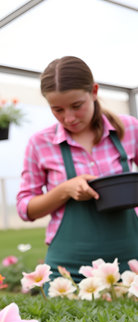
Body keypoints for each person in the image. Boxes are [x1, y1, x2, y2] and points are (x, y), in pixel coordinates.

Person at [17, 56, 138, 283]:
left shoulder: (130, 129)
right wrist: (65, 190)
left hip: (133, 265)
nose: (69, 118)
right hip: (68, 272)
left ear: (93, 91)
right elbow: (25, 208)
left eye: (76, 106)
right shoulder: (40, 143)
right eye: (57, 110)